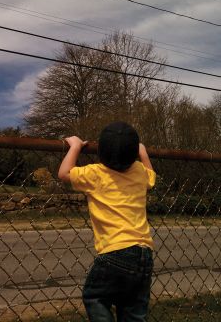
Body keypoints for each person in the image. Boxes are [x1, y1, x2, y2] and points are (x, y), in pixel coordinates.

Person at [58, 121, 156, 322]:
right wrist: (144, 152)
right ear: (133, 153)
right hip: (144, 253)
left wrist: (75, 146)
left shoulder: (95, 173)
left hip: (114, 252)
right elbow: (151, 176)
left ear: (101, 151)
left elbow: (64, 173)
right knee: (134, 310)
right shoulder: (139, 172)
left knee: (95, 297)